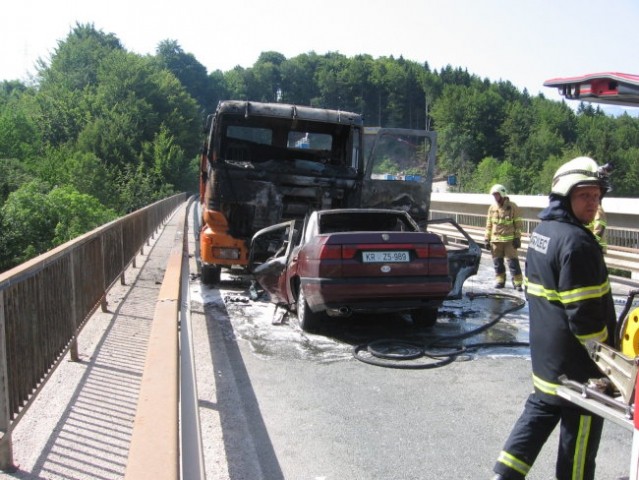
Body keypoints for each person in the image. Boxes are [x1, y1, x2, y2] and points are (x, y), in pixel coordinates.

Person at [491, 156, 617, 480]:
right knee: (579, 439)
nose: (593, 203)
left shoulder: (544, 232)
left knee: (538, 414)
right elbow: (586, 318)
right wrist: (607, 362)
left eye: (596, 196)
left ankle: (503, 475)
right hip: (581, 370)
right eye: (584, 196)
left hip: (547, 361)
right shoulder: (578, 243)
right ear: (565, 196)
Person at [484, 184, 524, 290]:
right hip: (495, 241)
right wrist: (486, 239)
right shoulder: (492, 208)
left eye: (497, 195)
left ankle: (517, 283)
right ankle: (500, 281)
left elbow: (518, 224)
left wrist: (517, 238)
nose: (495, 197)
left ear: (502, 194)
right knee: (498, 263)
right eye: (494, 195)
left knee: (513, 262)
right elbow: (489, 225)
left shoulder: (512, 207)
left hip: (509, 241)